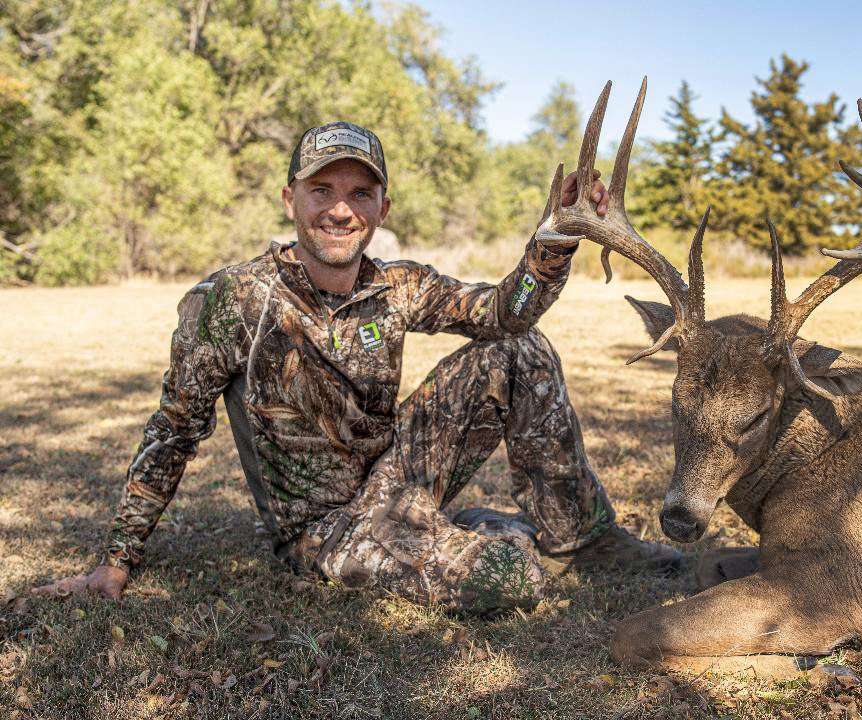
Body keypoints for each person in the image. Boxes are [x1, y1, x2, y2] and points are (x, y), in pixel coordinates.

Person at [33, 121, 681, 613]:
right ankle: (488, 538)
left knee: (517, 349)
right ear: (291, 198)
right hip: (327, 528)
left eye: (359, 193)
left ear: (381, 209)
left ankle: (585, 541)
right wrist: (116, 562)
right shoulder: (233, 300)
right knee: (510, 579)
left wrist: (552, 246)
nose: (339, 209)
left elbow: (501, 315)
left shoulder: (396, 285)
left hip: (396, 476)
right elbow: (173, 429)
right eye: (322, 190)